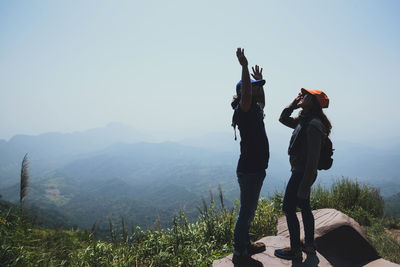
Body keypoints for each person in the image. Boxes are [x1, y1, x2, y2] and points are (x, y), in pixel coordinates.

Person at [274, 88, 331, 261]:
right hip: (300, 172)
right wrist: (293, 103)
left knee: (288, 208)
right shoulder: (304, 120)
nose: (302, 96)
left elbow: (313, 160)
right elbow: (282, 118)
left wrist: (305, 185)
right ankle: (309, 244)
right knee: (304, 207)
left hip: (302, 174)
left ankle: (295, 249)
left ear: (312, 102)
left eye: (306, 96)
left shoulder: (313, 125)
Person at [231, 48, 270, 264]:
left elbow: (262, 101)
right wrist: (244, 66)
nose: (256, 92)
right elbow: (246, 93)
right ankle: (239, 252)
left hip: (255, 168)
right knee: (246, 212)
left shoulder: (255, 108)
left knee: (249, 210)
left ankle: (246, 244)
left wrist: (260, 81)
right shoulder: (243, 108)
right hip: (250, 169)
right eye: (253, 89)